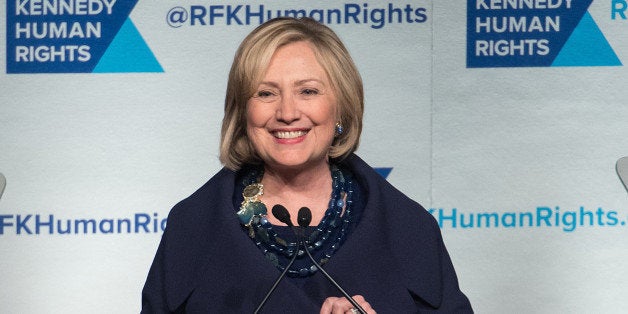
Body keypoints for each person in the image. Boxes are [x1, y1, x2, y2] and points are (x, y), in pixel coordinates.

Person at [141, 17, 472, 313]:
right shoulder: (191, 228)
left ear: (341, 108)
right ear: (243, 112)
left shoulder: (410, 231)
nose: (287, 112)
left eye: (308, 91)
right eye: (266, 93)